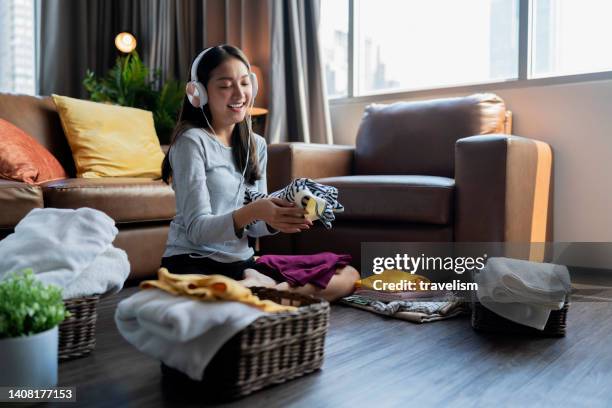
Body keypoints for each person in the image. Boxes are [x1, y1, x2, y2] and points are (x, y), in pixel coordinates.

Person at [160, 45, 358, 301]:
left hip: (242, 264)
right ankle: (260, 292)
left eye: (244, 83)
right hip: (194, 263)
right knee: (220, 301)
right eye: (225, 85)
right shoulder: (192, 142)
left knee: (347, 274)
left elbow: (254, 228)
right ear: (198, 93)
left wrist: (278, 216)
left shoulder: (256, 145)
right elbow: (197, 230)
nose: (239, 93)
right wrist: (256, 210)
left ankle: (267, 291)